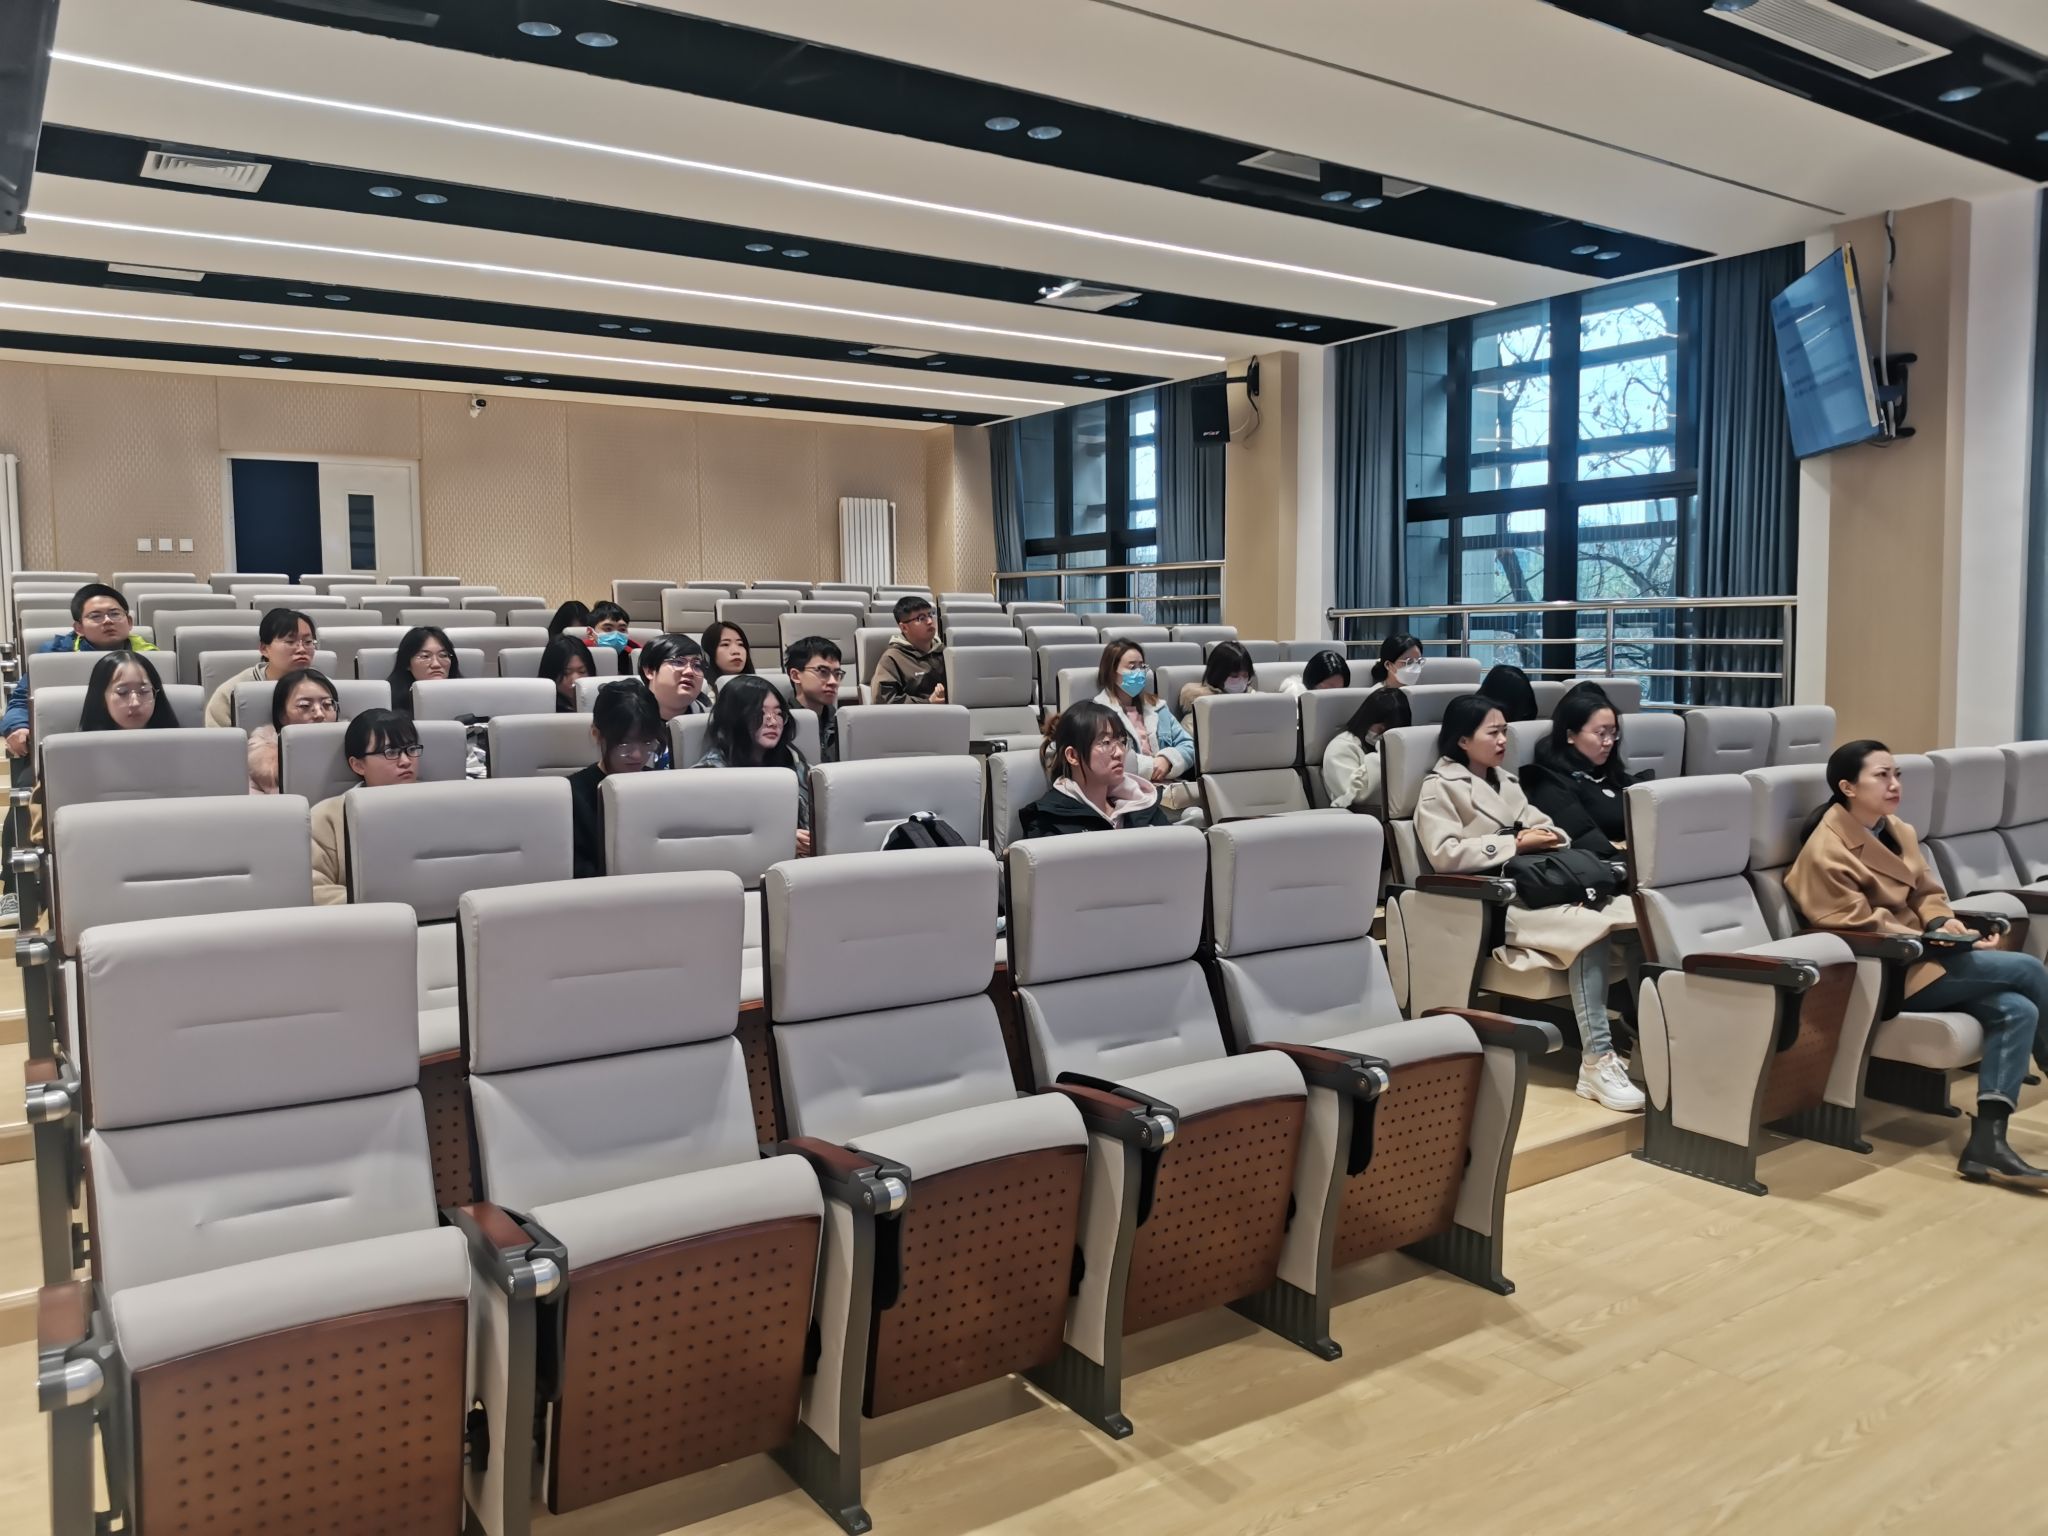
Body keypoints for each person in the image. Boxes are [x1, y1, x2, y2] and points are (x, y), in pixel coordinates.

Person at [1787, 740, 2048, 1185]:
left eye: (1897, 774)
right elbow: (1852, 926)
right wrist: (1938, 943)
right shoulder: (1825, 851)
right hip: (1889, 973)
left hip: (1929, 957)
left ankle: (1987, 1143)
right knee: (2028, 969)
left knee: (2017, 1009)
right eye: (1881, 775)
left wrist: (1946, 924)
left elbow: (1928, 893)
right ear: (1847, 787)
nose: (1894, 784)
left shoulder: (1897, 830)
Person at [1415, 694, 1642, 1113]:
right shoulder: (1440, 787)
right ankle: (1597, 1061)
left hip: (1539, 889)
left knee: (1639, 917)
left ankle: (1645, 1038)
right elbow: (1444, 854)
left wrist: (1539, 837)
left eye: (1505, 731)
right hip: (1494, 903)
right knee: (1590, 930)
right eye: (1493, 732)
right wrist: (1513, 843)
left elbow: (1550, 828)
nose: (1503, 740)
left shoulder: (1506, 781)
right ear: (1463, 740)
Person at [2, 583, 159, 757]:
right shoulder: (55, 655)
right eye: (96, 616)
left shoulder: (151, 656)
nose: (108, 621)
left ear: (129, 622)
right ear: (79, 628)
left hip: (137, 742)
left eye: (115, 614)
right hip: (72, 744)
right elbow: (22, 700)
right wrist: (18, 726)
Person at [311, 708, 420, 906]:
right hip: (364, 920)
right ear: (358, 765)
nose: (405, 761)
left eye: (411, 749)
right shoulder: (326, 816)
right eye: (391, 752)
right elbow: (314, 889)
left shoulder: (443, 806)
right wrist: (382, 905)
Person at [696, 674, 814, 855]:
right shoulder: (710, 775)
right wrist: (779, 839)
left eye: (778, 713)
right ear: (735, 717)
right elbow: (713, 841)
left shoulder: (794, 762)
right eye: (760, 713)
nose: (773, 722)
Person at [1520, 685, 1640, 859]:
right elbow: (1584, 839)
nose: (1609, 742)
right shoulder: (1550, 783)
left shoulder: (1611, 775)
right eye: (1600, 733)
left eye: (1613, 733)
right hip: (1604, 866)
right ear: (1570, 735)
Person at [1020, 702, 1172, 837]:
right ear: (1073, 756)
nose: (1119, 752)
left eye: (1122, 741)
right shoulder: (1049, 822)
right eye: (1106, 742)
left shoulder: (1142, 804)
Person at [566, 681, 667, 879]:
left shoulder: (662, 786)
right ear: (596, 734)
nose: (637, 755)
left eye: (647, 742)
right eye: (624, 744)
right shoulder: (571, 796)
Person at [1093, 639, 1199, 818]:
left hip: (1169, 788)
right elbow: (1107, 758)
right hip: (1127, 793)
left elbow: (1189, 745)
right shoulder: (1099, 713)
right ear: (1112, 672)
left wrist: (1167, 759)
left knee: (1199, 813)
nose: (1139, 672)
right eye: (1132, 667)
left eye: (1142, 666)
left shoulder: (1157, 706)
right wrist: (1151, 766)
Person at [201, 607, 317, 728]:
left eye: (308, 642)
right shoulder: (232, 693)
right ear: (264, 649)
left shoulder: (322, 686)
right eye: (290, 641)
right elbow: (218, 738)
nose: (301, 649)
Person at [246, 667, 340, 794]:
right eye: (305, 706)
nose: (319, 714)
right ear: (282, 716)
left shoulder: (355, 752)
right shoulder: (259, 767)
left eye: (327, 704)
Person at [1322, 687, 1412, 812]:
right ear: (1367, 719)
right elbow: (1356, 796)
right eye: (1381, 729)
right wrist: (1385, 754)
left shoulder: (1405, 746)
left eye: (1392, 731)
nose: (1384, 735)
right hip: (1356, 816)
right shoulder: (1341, 748)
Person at [871, 594, 946, 703]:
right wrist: (928, 702)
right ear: (904, 628)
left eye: (931, 614)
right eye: (921, 618)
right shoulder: (892, 658)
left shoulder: (943, 652)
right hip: (917, 714)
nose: (930, 621)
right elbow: (884, 701)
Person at [79, 651, 180, 732]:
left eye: (144, 691)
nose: (135, 703)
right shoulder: (82, 748)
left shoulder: (179, 743)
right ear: (101, 699)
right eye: (122, 692)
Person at [784, 635, 844, 763]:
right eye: (823, 672)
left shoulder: (843, 722)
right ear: (795, 675)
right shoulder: (781, 725)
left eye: (837, 674)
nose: (833, 682)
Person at [636, 632, 709, 727]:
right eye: (678, 662)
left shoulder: (713, 721)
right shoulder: (624, 720)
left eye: (697, 666)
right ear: (650, 671)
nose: (689, 671)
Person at [387, 626, 462, 715]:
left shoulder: (466, 695)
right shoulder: (388, 703)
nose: (436, 664)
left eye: (443, 655)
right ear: (407, 663)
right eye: (425, 656)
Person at [1178, 640, 1256, 716]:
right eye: (1234, 676)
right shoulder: (1198, 708)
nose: (1241, 681)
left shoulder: (1254, 699)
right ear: (1218, 674)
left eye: (1245, 675)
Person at [539, 634, 593, 714]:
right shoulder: (540, 708)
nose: (575, 680)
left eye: (582, 671)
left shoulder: (602, 702)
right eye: (566, 673)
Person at [700, 620, 755, 693]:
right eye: (725, 644)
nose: (736, 651)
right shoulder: (701, 691)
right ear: (709, 651)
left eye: (740, 644)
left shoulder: (760, 689)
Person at [1281, 649, 1351, 696]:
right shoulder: (1295, 700)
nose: (1334, 695)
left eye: (1339, 691)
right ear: (1311, 683)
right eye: (1328, 690)